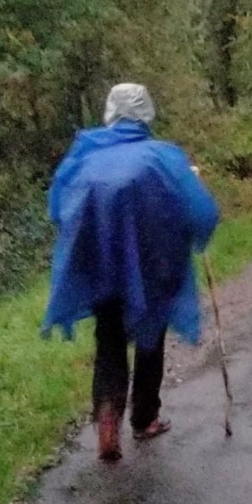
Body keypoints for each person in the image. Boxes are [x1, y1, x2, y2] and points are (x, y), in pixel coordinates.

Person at [44, 83, 220, 462]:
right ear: (146, 114)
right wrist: (194, 234)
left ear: (110, 112)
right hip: (152, 266)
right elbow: (203, 211)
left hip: (102, 268)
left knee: (109, 341)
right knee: (149, 335)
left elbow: (59, 207)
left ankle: (108, 422)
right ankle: (144, 418)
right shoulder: (163, 157)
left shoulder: (85, 156)